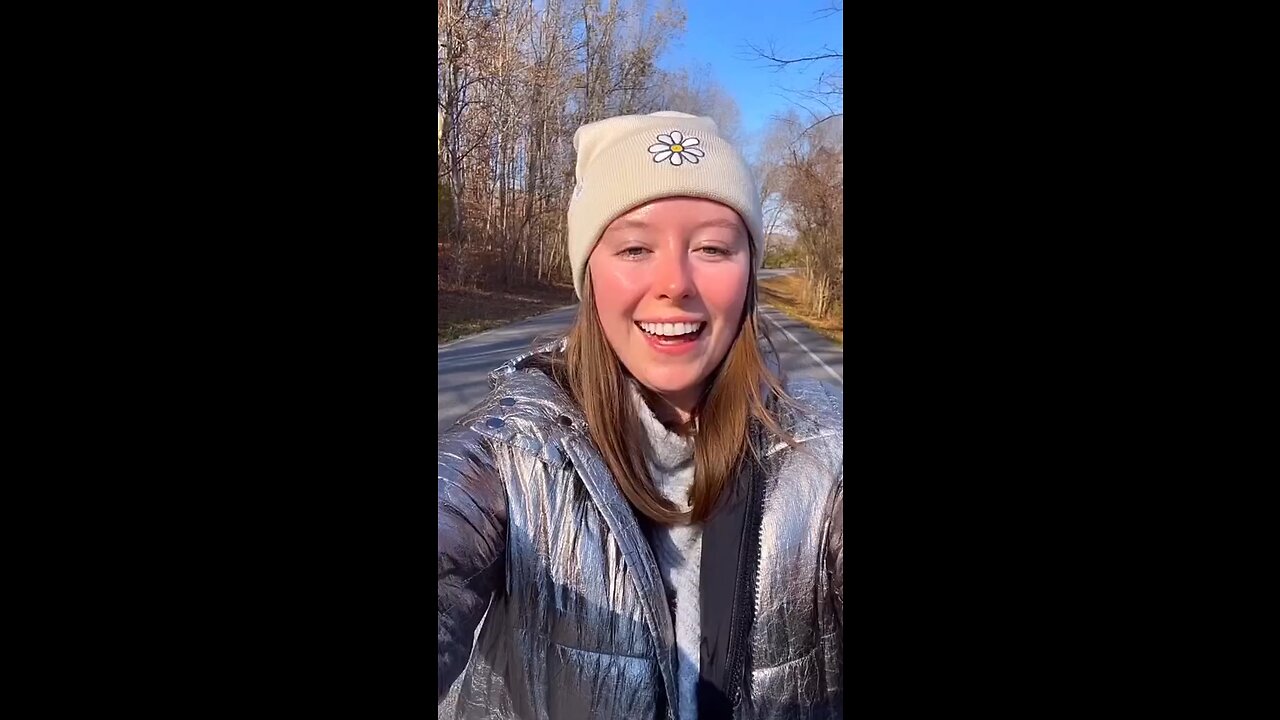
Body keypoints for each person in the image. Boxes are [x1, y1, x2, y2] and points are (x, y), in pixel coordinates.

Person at [438, 111, 843, 719]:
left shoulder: (823, 452)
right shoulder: (513, 453)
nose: (674, 282)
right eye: (634, 247)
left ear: (748, 274)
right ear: (590, 275)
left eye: (711, 247)